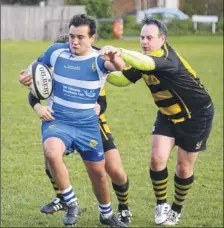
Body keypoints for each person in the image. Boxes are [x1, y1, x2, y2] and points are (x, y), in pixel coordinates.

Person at [100, 17, 214, 225]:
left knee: (183, 167)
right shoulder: (143, 59)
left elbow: (147, 63)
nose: (144, 42)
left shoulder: (168, 59)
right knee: (156, 159)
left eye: (149, 38)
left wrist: (120, 52)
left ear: (162, 39)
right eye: (142, 37)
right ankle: (162, 204)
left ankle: (176, 209)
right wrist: (100, 68)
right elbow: (122, 80)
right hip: (167, 114)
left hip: (196, 116)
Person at [19, 14, 127, 227]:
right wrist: (24, 78)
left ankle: (106, 215)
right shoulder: (55, 52)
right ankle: (71, 202)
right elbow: (31, 70)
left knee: (98, 174)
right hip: (59, 120)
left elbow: (120, 67)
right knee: (51, 152)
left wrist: (114, 55)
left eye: (80, 37)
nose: (74, 42)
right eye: (71, 36)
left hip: (87, 125)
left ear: (92, 38)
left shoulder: (99, 59)